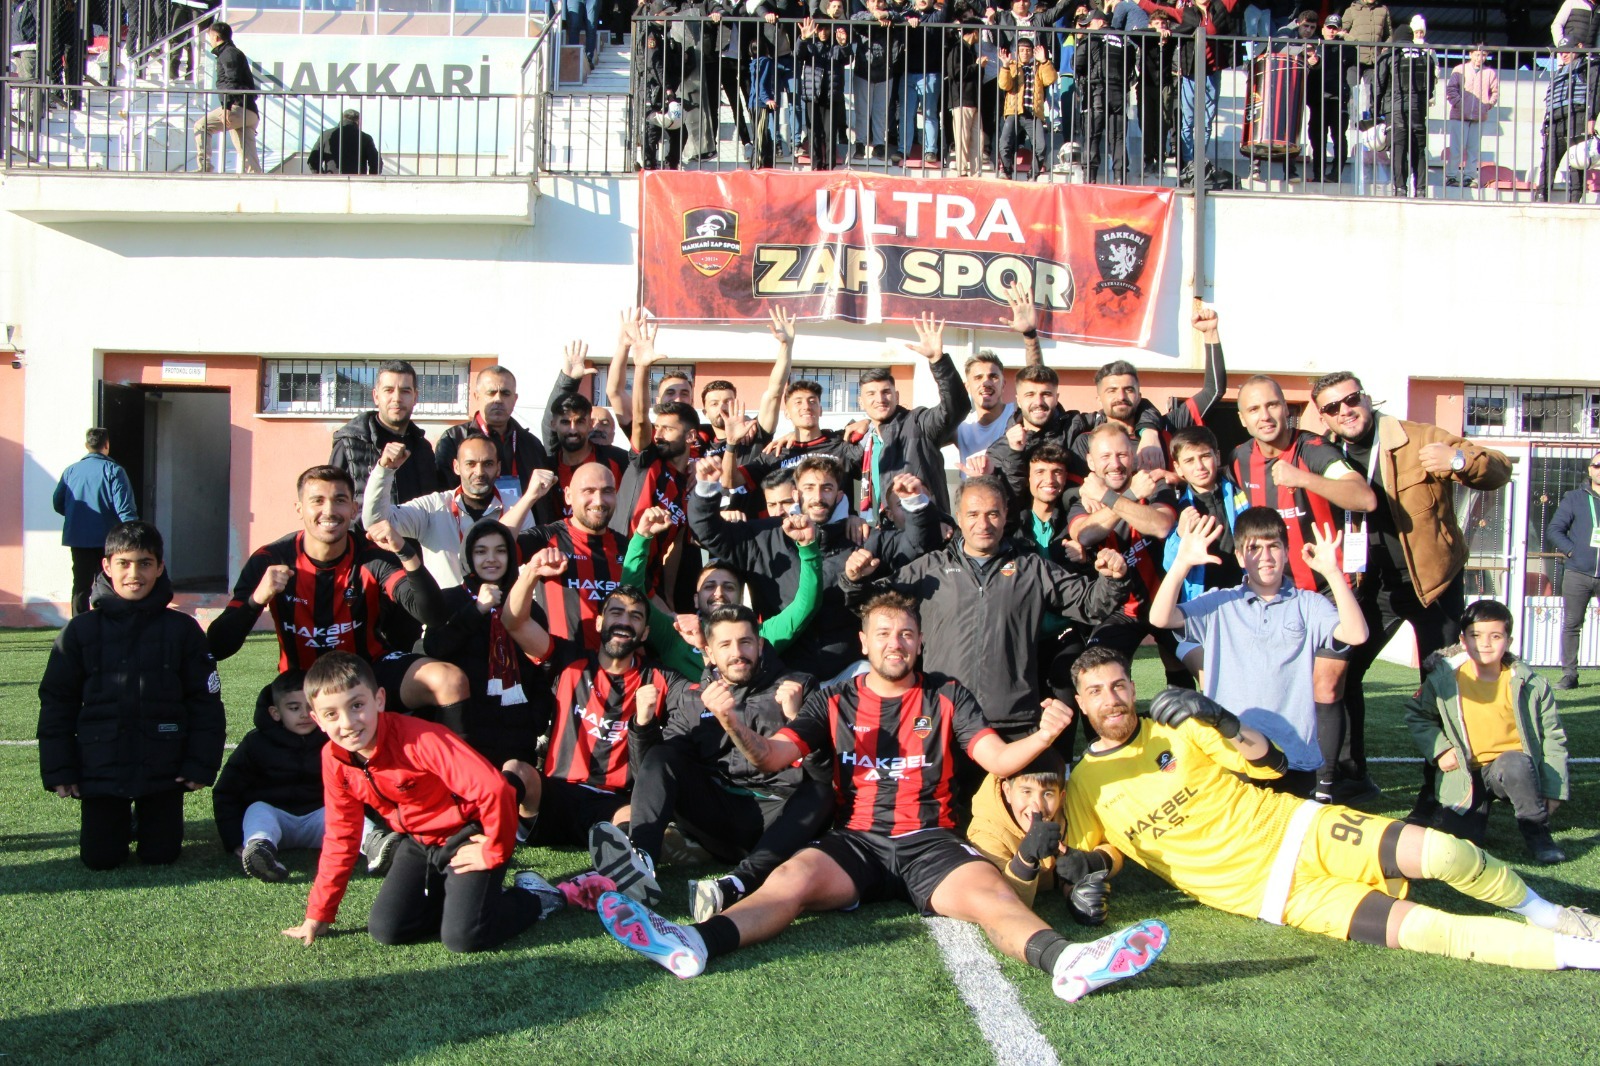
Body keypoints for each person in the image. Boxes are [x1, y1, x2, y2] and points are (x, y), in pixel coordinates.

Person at [594, 591, 1171, 1003]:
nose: (896, 643)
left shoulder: (946, 693)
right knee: (789, 882)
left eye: (907, 634)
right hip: (858, 842)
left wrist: (1045, 736)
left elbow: (995, 760)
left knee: (992, 892)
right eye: (884, 634)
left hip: (929, 842)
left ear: (920, 641)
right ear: (865, 642)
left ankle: (1068, 961)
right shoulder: (836, 699)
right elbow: (770, 757)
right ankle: (693, 943)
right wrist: (729, 720)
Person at [1065, 647, 1600, 972]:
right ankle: (1584, 956)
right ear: (1082, 703)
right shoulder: (1084, 783)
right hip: (1274, 894)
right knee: (1434, 934)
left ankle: (1552, 916)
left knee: (1447, 853)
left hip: (1301, 827)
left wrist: (1221, 718)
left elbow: (1269, 763)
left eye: (1118, 684)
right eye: (1096, 691)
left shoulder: (1176, 725)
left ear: (1133, 685)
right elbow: (1102, 851)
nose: (1112, 698)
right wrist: (1087, 876)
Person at [1309, 371, 1511, 799]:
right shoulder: (1324, 452)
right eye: (1332, 407)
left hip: (1434, 583)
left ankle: (1443, 788)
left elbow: (1498, 469)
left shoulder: (1418, 438)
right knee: (1342, 673)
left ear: (1365, 398)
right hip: (1369, 585)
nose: (1345, 411)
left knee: (1442, 684)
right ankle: (1352, 775)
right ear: (1322, 417)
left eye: (1351, 399)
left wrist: (1457, 462)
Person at [280, 653, 552, 953]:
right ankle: (470, 899)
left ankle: (535, 896)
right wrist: (319, 911)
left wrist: (495, 849)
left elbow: (495, 788)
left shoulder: (421, 738)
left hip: (467, 834)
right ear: (317, 719)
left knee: (464, 937)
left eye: (357, 705)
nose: (347, 723)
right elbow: (342, 834)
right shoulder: (334, 759)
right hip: (419, 841)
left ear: (379, 700)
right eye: (331, 714)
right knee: (388, 929)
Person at [842, 475, 1132, 742]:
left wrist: (1113, 579)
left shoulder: (1031, 568)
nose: (984, 524)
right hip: (943, 717)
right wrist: (855, 580)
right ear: (959, 518)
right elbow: (872, 605)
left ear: (1006, 516)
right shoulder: (930, 568)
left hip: (1013, 721)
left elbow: (1090, 604)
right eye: (973, 514)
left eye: (993, 514)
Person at [618, 604, 837, 919]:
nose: (738, 652)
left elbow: (825, 774)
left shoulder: (799, 686)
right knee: (665, 753)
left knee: (819, 792)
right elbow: (652, 771)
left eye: (746, 642)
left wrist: (794, 718)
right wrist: (643, 725)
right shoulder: (695, 698)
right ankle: (640, 862)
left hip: (778, 817)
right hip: (716, 816)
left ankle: (739, 882)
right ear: (707, 653)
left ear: (760, 645)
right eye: (725, 645)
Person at [207, 465, 468, 723]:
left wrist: (405, 551)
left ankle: (440, 762)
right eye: (317, 501)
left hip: (370, 669)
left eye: (339, 500)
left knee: (448, 680)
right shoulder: (271, 559)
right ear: (299, 509)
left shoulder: (372, 557)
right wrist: (257, 600)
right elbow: (218, 646)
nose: (329, 511)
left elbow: (433, 615)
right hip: (303, 679)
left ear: (354, 509)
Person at [38, 521, 226, 870]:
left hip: (163, 764)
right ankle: (117, 822)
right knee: (101, 859)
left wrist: (199, 764)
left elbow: (205, 703)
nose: (134, 573)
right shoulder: (80, 631)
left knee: (161, 856)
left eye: (144, 563)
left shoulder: (182, 630)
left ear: (160, 567)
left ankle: (148, 821)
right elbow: (57, 702)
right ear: (107, 567)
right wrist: (60, 767)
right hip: (100, 765)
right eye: (124, 563)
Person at [1151, 506, 1367, 800]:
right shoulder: (1219, 602)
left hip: (1294, 757)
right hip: (1231, 756)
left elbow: (1357, 634)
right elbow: (1160, 619)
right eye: (1254, 548)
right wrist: (1181, 564)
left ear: (1286, 551)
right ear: (1240, 557)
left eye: (1274, 546)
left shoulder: (1309, 604)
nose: (1265, 557)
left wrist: (1332, 572)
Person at [1231, 375, 1376, 800]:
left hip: (1327, 591)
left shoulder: (1314, 450)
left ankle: (1327, 784)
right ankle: (1280, 772)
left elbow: (1363, 498)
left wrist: (1303, 479)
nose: (1265, 415)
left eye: (1273, 405)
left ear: (1286, 408)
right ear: (1242, 420)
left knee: (1327, 686)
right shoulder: (1239, 458)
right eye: (1254, 409)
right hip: (1277, 595)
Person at [500, 573, 677, 898]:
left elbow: (702, 699)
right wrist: (531, 572)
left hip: (611, 807)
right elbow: (513, 622)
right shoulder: (569, 660)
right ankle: (486, 851)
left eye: (635, 616)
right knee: (515, 770)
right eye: (616, 612)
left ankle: (621, 881)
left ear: (646, 632)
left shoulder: (658, 678)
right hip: (553, 797)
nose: (625, 622)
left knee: (638, 820)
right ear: (598, 623)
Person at [691, 456, 939, 679]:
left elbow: (916, 546)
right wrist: (706, 489)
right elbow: (709, 532)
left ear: (840, 496)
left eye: (827, 488)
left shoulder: (862, 538)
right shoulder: (764, 536)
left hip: (849, 669)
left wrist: (915, 503)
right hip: (785, 673)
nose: (818, 497)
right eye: (809, 488)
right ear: (796, 495)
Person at [1404, 600, 1569, 865]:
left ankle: (1537, 831)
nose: (1486, 643)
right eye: (1476, 635)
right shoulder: (1444, 680)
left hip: (1512, 769)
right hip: (1465, 774)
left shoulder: (1532, 685)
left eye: (1496, 636)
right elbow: (1417, 715)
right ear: (1462, 639)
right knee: (1461, 851)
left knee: (1515, 763)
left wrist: (1553, 788)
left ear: (1509, 640)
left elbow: (1553, 737)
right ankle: (1468, 816)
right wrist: (1440, 749)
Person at [624, 505, 822, 679]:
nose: (718, 592)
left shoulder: (756, 635)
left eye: (729, 587)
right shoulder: (675, 632)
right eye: (709, 586)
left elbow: (805, 606)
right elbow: (632, 597)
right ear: (695, 598)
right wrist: (642, 537)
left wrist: (808, 549)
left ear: (741, 598)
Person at [421, 520, 551, 768]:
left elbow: (543, 669)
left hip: (516, 733)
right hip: (462, 733)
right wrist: (477, 609)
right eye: (481, 551)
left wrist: (536, 720)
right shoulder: (449, 600)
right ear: (468, 556)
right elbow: (434, 648)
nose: (491, 559)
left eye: (500, 550)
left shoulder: (527, 606)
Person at [363, 433, 557, 586]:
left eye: (487, 464)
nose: (479, 472)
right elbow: (376, 523)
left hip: (499, 620)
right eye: (470, 464)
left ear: (498, 468)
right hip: (447, 622)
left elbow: (523, 568)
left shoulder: (517, 507)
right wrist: (384, 471)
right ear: (456, 467)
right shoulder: (432, 507)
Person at [211, 669, 328, 883]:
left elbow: (357, 785)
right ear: (275, 713)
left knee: (342, 811)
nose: (304, 714)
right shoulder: (255, 743)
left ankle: (374, 844)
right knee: (258, 809)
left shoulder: (333, 738)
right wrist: (233, 839)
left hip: (317, 819)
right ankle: (259, 849)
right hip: (275, 821)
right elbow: (226, 790)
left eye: (311, 708)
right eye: (294, 708)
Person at [968, 750, 1111, 921]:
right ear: (1007, 791)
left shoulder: (1071, 805)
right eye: (1026, 791)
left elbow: (1115, 844)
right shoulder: (985, 834)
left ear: (1062, 796)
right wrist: (1026, 858)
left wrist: (1088, 864)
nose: (1037, 806)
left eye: (1048, 794)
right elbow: (1005, 905)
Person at [1079, 306, 1226, 468]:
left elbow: (1214, 390)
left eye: (1128, 390)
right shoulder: (1086, 440)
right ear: (1099, 399)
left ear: (1139, 396)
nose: (1121, 396)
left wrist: (1210, 332)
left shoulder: (1168, 426)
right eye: (1111, 391)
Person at [856, 313, 970, 520]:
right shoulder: (864, 441)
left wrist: (938, 361)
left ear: (897, 396)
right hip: (887, 533)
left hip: (928, 529)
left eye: (886, 392)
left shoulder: (918, 423)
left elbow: (956, 407)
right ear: (861, 402)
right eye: (871, 394)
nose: (880, 399)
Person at [515, 461, 630, 655]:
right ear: (568, 495)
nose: (599, 500)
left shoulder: (625, 546)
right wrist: (529, 497)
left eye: (607, 491)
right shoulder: (546, 538)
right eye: (588, 491)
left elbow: (649, 595)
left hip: (617, 670)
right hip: (563, 670)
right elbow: (494, 547)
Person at [330, 359, 440, 511]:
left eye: (405, 391)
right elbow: (332, 501)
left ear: (415, 397)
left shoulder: (423, 449)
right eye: (388, 390)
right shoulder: (349, 444)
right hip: (364, 535)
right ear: (376, 396)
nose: (397, 398)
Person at [52, 427, 138, 617]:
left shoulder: (71, 471)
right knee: (108, 580)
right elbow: (124, 509)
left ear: (86, 445)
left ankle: (78, 623)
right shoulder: (114, 470)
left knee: (80, 584)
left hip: (78, 537)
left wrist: (77, 515)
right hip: (108, 538)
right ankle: (106, 619)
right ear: (106, 445)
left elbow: (58, 503)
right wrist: (134, 536)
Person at [434, 365, 553, 498]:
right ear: (477, 397)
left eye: (505, 393)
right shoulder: (453, 439)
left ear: (515, 399)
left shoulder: (531, 444)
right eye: (491, 393)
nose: (498, 399)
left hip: (523, 517)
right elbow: (444, 494)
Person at [541, 340, 632, 500]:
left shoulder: (619, 461)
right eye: (565, 422)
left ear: (588, 424)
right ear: (554, 425)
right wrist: (568, 380)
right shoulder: (549, 464)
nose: (573, 429)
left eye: (580, 422)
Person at [1161, 425, 1244, 600]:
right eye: (1189, 460)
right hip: (1203, 602)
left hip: (1245, 593)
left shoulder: (1240, 490)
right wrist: (1179, 534)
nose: (1199, 466)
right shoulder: (1178, 508)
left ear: (1217, 456)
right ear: (1178, 467)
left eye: (1205, 456)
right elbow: (1169, 565)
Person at [1547, 448, 1600, 690]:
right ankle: (1570, 674)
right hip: (1578, 573)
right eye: (1597, 465)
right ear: (1590, 469)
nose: (1599, 470)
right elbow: (1554, 529)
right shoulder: (1575, 498)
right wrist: (1572, 551)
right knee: (1572, 624)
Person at [1174, 0, 1236, 172]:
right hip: (1191, 70)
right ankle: (1188, 162)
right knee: (1188, 120)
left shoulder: (1218, 9)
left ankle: (1198, 160)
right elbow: (1161, 11)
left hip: (1213, 71)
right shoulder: (1186, 12)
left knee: (1207, 121)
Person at [192, 22, 261, 174]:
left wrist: (226, 107)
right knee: (249, 156)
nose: (209, 40)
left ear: (216, 37)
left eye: (210, 37)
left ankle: (205, 167)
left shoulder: (228, 53)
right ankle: (257, 181)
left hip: (238, 107)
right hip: (249, 111)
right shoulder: (232, 52)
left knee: (201, 126)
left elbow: (231, 81)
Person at [1376, 25, 1434, 198]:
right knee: (1419, 149)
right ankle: (1421, 189)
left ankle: (1400, 188)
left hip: (1394, 109)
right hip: (1417, 109)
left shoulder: (1389, 53)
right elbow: (1430, 85)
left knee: (1398, 148)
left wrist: (1375, 108)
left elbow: (1379, 84)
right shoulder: (1425, 55)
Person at [1075, 11, 1131, 184]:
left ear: (1099, 22)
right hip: (1119, 92)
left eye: (1089, 23)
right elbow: (1129, 66)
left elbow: (1077, 63)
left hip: (1096, 91)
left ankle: (1089, 178)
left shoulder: (1091, 37)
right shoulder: (1124, 39)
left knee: (1092, 135)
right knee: (1118, 138)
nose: (1086, 27)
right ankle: (1120, 179)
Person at [795, 15, 855, 170]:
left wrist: (844, 45)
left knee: (829, 135)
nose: (823, 32)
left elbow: (848, 58)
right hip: (812, 95)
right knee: (814, 133)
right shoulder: (810, 44)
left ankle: (829, 167)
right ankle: (815, 166)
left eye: (826, 28)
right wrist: (802, 38)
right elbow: (797, 54)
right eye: (820, 28)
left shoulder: (836, 46)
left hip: (830, 95)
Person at [997, 37, 1056, 180]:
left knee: (1040, 147)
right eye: (1022, 50)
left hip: (1033, 113)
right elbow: (1004, 85)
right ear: (1017, 52)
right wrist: (1005, 66)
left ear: (1032, 53)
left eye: (1028, 50)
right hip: (1014, 111)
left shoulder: (1040, 67)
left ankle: (1033, 174)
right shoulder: (1011, 66)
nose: (1025, 53)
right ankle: (1006, 170)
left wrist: (1044, 61)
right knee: (1004, 143)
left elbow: (1050, 79)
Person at [1538, 50, 1590, 203]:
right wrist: (1546, 125)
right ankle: (1541, 196)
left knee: (1576, 161)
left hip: (1576, 117)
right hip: (1555, 121)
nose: (1564, 55)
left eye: (1568, 51)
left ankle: (1574, 200)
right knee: (1548, 162)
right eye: (1561, 53)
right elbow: (1550, 102)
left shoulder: (1586, 67)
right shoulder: (1558, 73)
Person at [1444, 44, 1498, 188]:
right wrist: (1460, 104)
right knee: (1456, 148)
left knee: (1473, 149)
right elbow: (1451, 89)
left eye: (1484, 55)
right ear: (1471, 54)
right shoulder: (1459, 69)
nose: (1480, 58)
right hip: (1458, 115)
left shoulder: (1490, 73)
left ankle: (1469, 176)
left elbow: (1495, 92)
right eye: (1477, 54)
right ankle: (1452, 176)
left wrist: (1487, 106)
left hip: (1478, 117)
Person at [944, 19, 987, 176]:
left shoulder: (971, 50)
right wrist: (977, 66)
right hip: (961, 99)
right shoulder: (957, 48)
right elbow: (955, 73)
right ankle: (961, 171)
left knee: (978, 138)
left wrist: (978, 67)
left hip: (974, 99)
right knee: (962, 138)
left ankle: (976, 173)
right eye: (979, 33)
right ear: (975, 32)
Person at [1336, 0, 1392, 118]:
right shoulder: (1351, 10)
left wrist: (1385, 49)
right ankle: (1350, 120)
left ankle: (1368, 122)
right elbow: (1340, 32)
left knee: (1371, 93)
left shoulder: (1383, 10)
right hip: (1353, 60)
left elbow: (1389, 34)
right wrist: (1354, 42)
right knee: (1351, 92)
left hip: (1373, 61)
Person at [307, 109, 382, 174]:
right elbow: (376, 163)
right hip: (357, 183)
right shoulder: (365, 138)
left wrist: (322, 176)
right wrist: (370, 180)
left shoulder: (326, 135)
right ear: (358, 121)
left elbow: (312, 161)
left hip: (332, 181)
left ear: (342, 119)